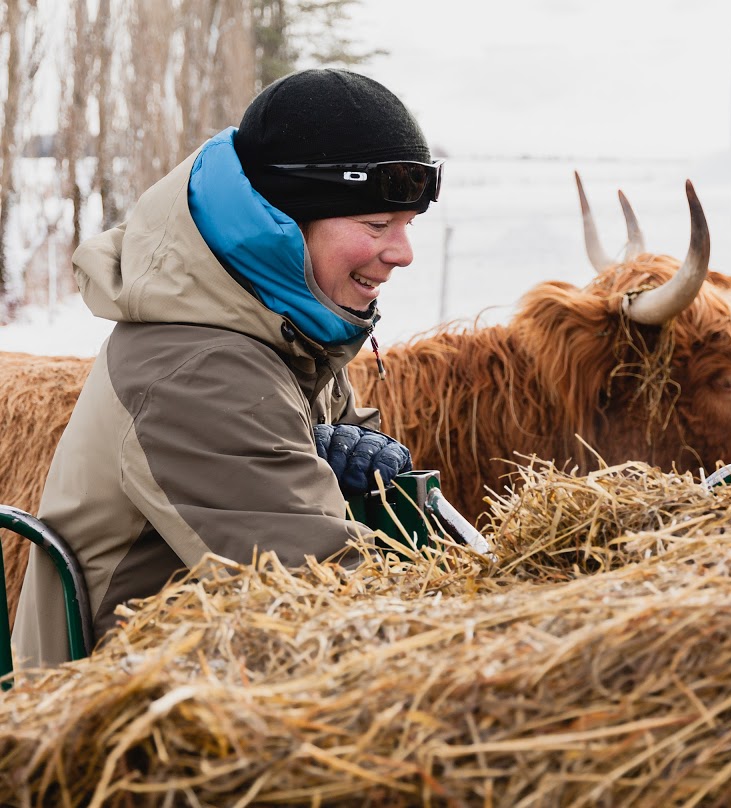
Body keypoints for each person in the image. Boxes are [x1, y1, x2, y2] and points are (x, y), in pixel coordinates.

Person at [12, 68, 442, 667]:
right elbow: (333, 599)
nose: (403, 253)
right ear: (283, 225)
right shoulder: (199, 368)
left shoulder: (284, 328)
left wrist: (348, 449)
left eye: (408, 226)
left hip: (206, 677)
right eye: (377, 225)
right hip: (129, 722)